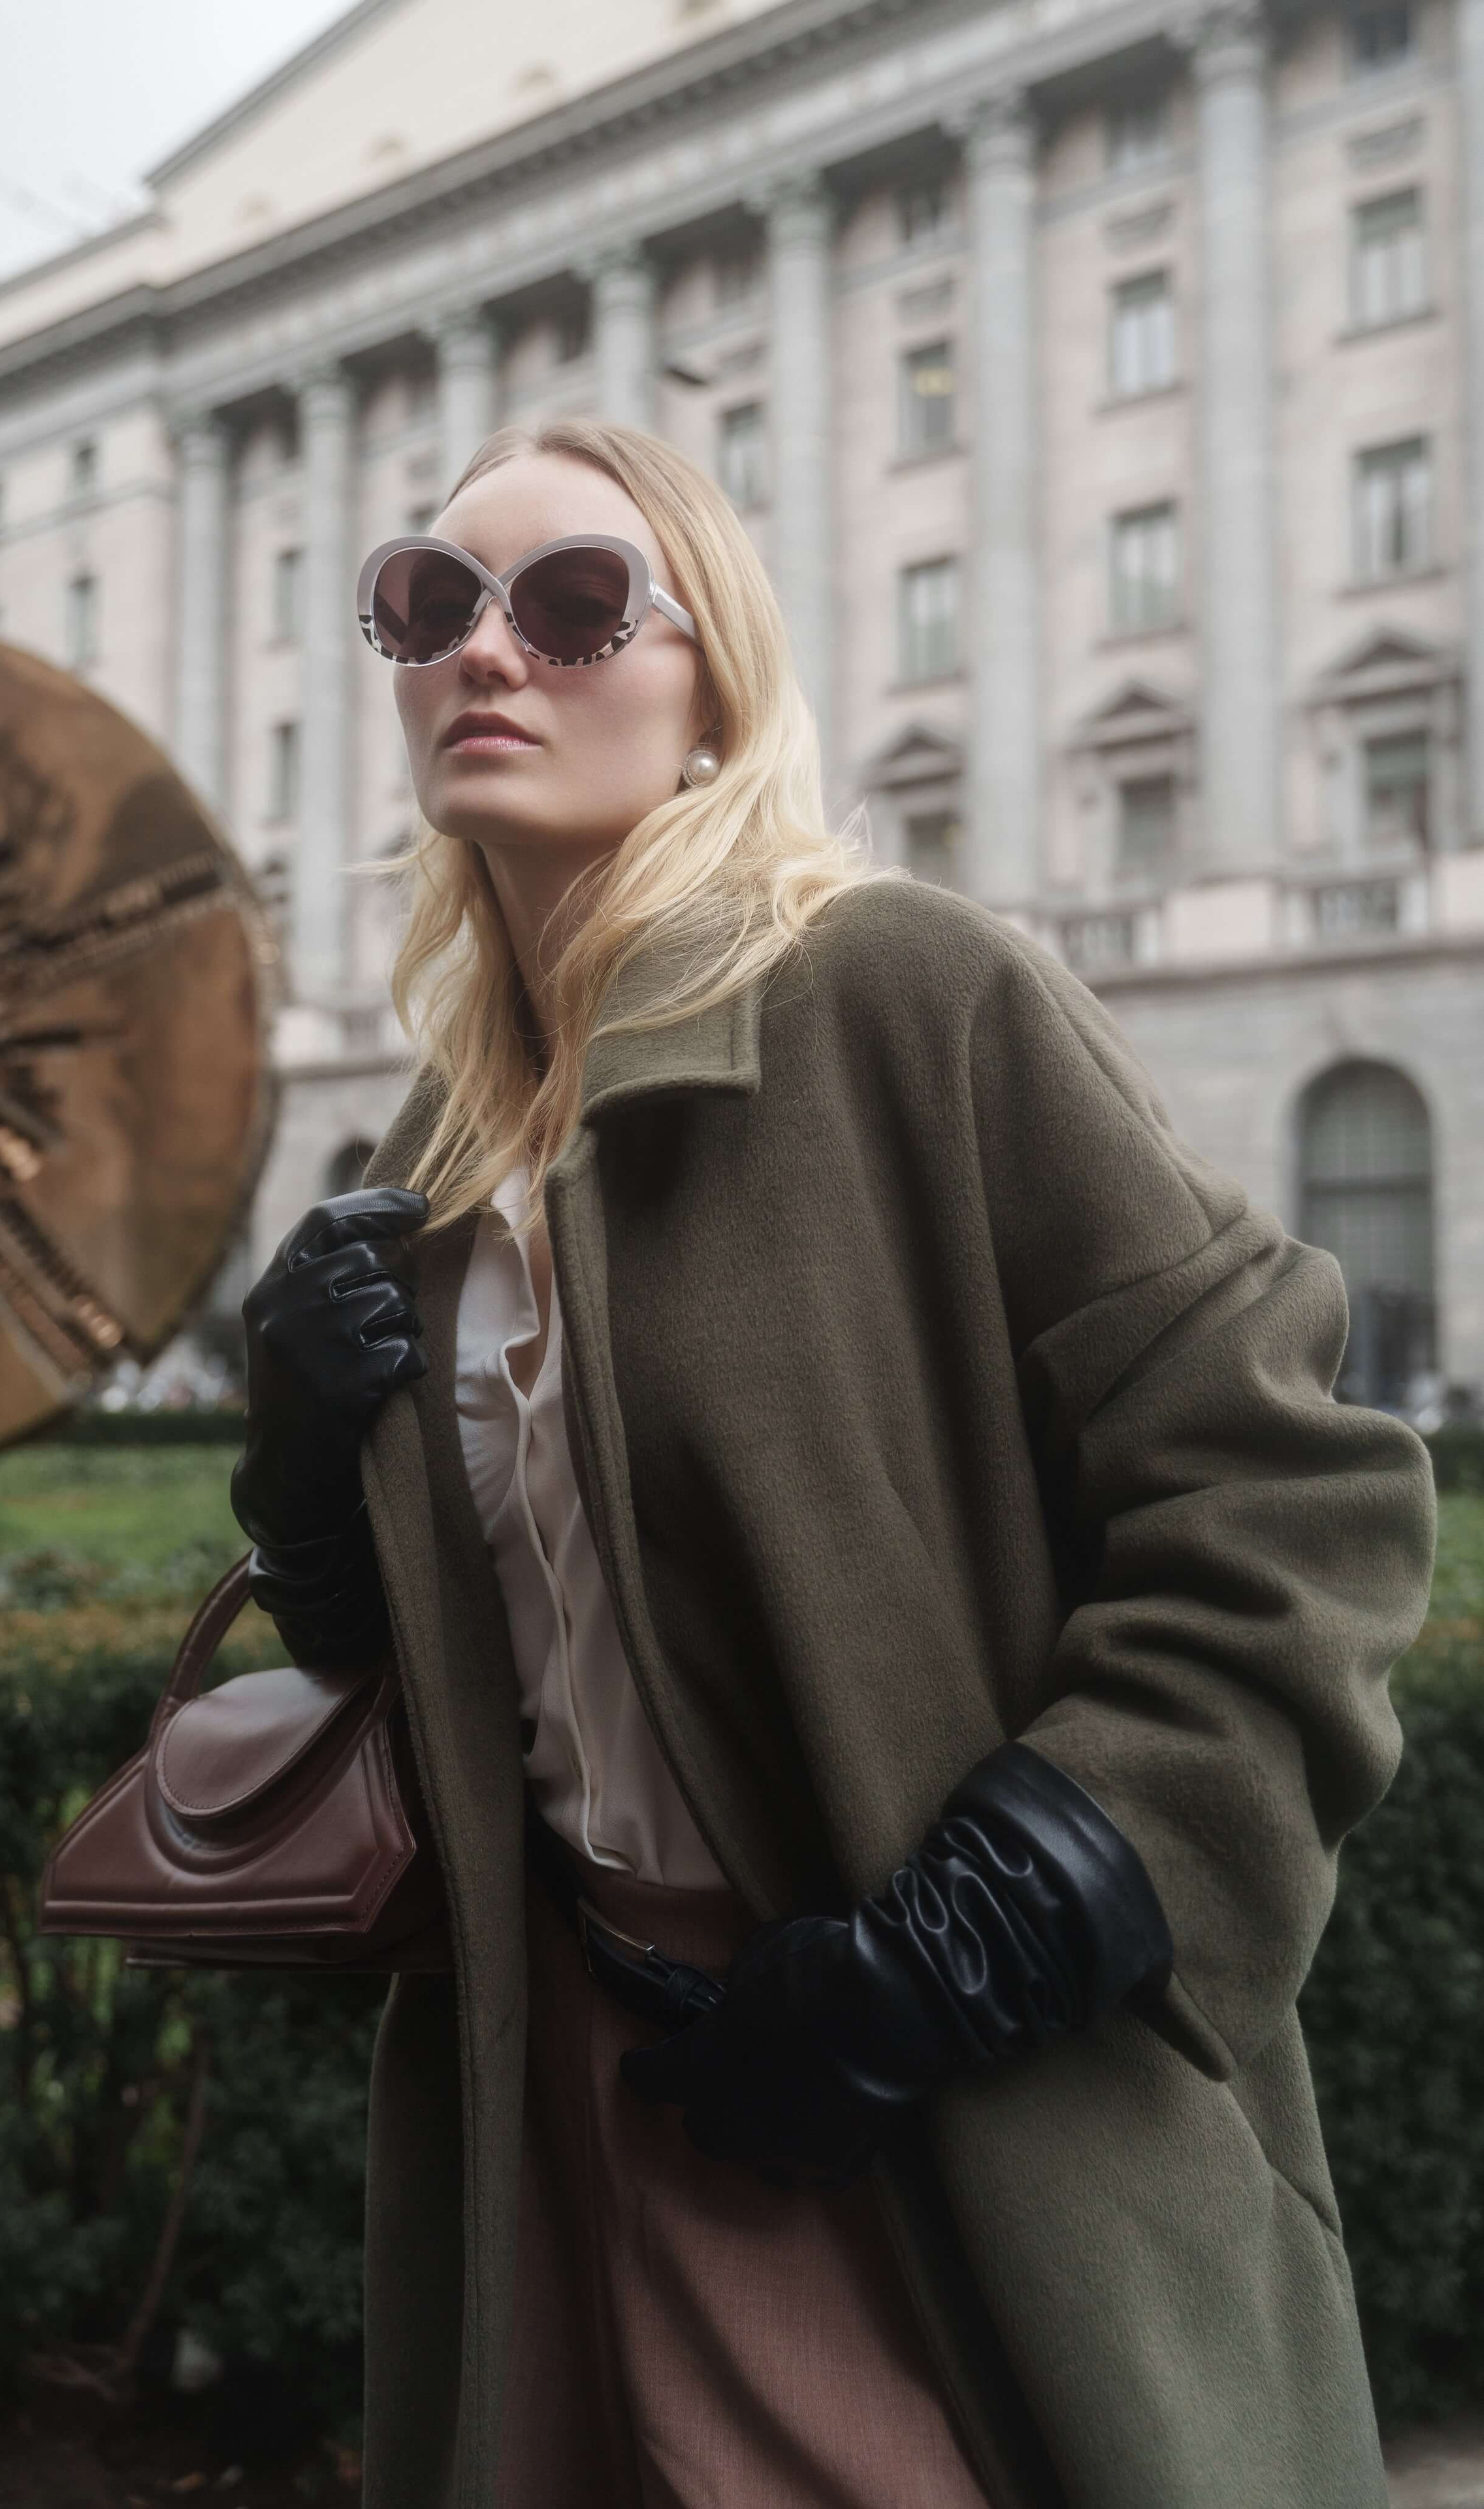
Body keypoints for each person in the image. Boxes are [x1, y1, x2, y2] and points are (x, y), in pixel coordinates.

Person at [229, 419, 1436, 2509]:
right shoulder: (434, 1148)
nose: (488, 650)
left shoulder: (907, 996)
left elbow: (1296, 1504)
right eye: (432, 604)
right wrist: (308, 1481)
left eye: (576, 602)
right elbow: (458, 1704)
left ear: (712, 683)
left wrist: (988, 1928)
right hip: (547, 2099)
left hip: (922, 2104)